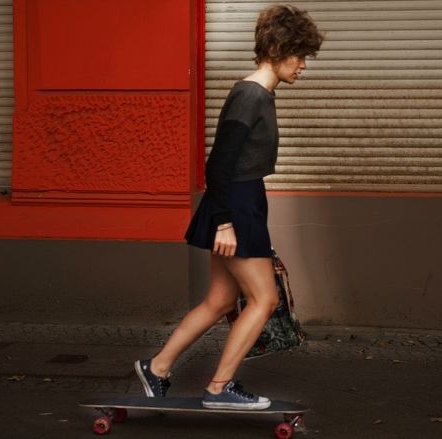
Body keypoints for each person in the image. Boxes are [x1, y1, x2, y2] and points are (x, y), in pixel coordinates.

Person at [135, 4, 323, 410]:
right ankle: (220, 388)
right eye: (299, 55)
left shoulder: (257, 94)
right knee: (264, 300)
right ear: (277, 48)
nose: (303, 65)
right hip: (235, 206)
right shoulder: (251, 95)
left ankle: (158, 367)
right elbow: (218, 163)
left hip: (241, 201)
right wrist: (224, 224)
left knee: (220, 301)